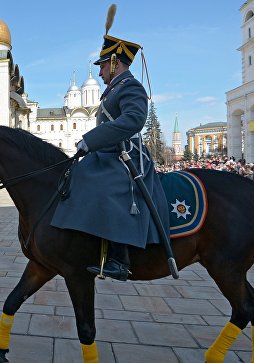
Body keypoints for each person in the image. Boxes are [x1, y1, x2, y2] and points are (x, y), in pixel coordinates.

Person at [51, 24, 170, 281]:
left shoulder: (131, 87)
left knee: (104, 187)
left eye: (103, 66)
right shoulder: (113, 90)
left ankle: (120, 259)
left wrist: (90, 140)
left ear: (115, 63)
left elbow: (133, 120)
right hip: (110, 153)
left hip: (127, 156)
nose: (101, 72)